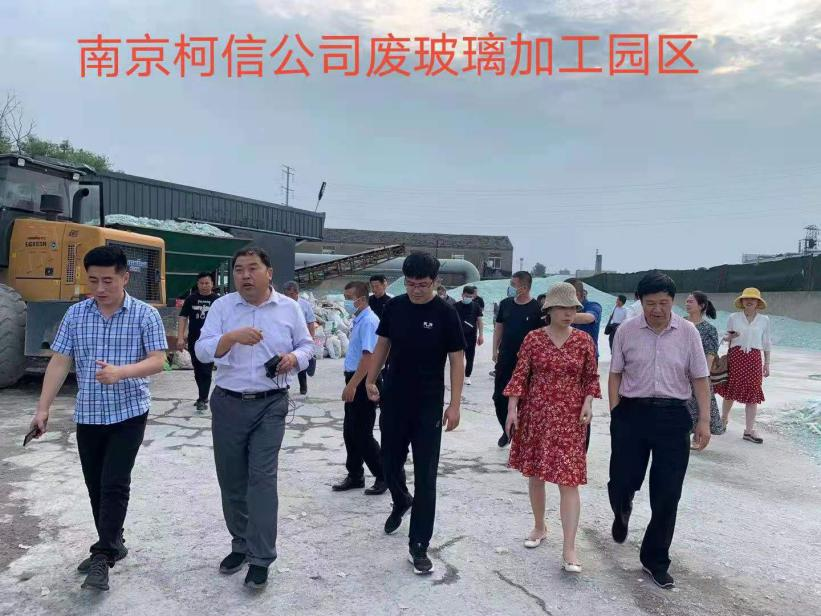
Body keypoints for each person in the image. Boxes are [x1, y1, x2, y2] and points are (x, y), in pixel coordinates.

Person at [28, 246, 168, 592]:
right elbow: (60, 361)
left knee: (114, 483)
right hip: (89, 413)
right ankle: (113, 541)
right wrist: (43, 409)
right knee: (95, 485)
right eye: (93, 281)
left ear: (125, 278)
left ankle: (103, 555)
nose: (100, 288)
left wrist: (121, 372)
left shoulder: (145, 315)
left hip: (129, 412)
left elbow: (158, 360)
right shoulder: (77, 314)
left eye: (108, 280)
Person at [196, 247, 314, 590]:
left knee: (261, 480)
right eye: (238, 270)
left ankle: (261, 557)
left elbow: (308, 345)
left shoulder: (289, 308)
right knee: (231, 480)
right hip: (228, 402)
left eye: (252, 268)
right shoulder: (222, 307)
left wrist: (294, 358)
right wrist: (230, 338)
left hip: (270, 403)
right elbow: (202, 350)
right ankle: (241, 544)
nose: (245, 275)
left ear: (269, 272)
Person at [607, 271, 711, 590]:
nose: (657, 309)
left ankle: (655, 559)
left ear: (673, 301)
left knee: (667, 494)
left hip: (673, 417)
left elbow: (700, 378)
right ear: (640, 301)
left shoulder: (688, 333)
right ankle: (622, 508)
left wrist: (704, 420)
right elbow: (615, 374)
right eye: (650, 303)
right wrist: (615, 412)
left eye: (663, 303)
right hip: (632, 413)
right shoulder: (626, 331)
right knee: (622, 480)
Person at [365, 252, 465, 575]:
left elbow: (457, 360)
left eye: (422, 285)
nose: (416, 290)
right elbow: (382, 344)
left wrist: (455, 404)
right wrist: (370, 378)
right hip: (394, 399)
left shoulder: (446, 313)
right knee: (389, 462)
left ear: (435, 282)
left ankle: (418, 544)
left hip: (428, 404)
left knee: (426, 475)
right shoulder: (395, 307)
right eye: (410, 284)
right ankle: (400, 499)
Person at [504, 283, 600, 573]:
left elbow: (591, 377)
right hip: (536, 415)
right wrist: (512, 410)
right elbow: (520, 375)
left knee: (568, 481)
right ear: (549, 310)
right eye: (562, 308)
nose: (568, 313)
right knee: (536, 475)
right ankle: (539, 526)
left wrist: (588, 403)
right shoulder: (533, 339)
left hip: (570, 419)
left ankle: (569, 547)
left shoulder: (583, 341)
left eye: (573, 308)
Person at [334, 281, 386, 495]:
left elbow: (369, 357)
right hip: (354, 378)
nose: (346, 302)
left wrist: (353, 385)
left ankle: (384, 475)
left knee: (362, 433)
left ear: (361, 299)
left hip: (364, 381)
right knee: (350, 431)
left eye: (349, 298)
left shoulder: (369, 322)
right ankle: (355, 474)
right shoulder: (359, 319)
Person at [715, 288, 772, 444]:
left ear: (758, 302)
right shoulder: (733, 317)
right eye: (746, 298)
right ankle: (723, 420)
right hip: (736, 356)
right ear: (741, 301)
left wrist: (767, 363)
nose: (749, 301)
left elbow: (766, 342)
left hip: (754, 358)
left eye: (753, 299)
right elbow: (726, 337)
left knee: (753, 392)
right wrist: (730, 336)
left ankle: (749, 430)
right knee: (730, 390)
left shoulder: (764, 320)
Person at [493, 271, 542, 448]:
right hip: (505, 357)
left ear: (525, 287)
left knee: (523, 400)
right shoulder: (505, 304)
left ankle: (519, 434)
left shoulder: (536, 308)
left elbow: (541, 335)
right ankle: (506, 430)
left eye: (514, 285)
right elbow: (499, 327)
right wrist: (494, 349)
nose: (511, 287)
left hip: (527, 362)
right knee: (499, 397)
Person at [684, 291, 725, 442]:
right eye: (687, 301)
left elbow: (710, 354)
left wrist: (704, 376)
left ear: (701, 306)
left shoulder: (709, 329)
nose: (687, 304)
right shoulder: (679, 324)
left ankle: (697, 438)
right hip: (679, 373)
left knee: (699, 407)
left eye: (691, 301)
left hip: (698, 375)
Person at [177, 272, 220, 411]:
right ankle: (203, 395)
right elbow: (183, 318)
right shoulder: (191, 299)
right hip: (194, 339)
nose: (204, 286)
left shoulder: (218, 300)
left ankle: (202, 398)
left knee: (206, 369)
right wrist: (180, 337)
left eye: (207, 283)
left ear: (212, 284)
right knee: (197, 369)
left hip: (211, 340)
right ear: (197, 284)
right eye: (201, 283)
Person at [282, 281, 317, 396]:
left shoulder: (305, 305)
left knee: (300, 361)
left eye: (291, 294)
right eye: (287, 295)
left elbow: (311, 322)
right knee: (284, 362)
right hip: (287, 337)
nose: (289, 297)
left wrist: (311, 339)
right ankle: (284, 387)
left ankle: (303, 386)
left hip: (301, 338)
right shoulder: (282, 305)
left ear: (297, 293)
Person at [454, 285, 484, 385]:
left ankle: (467, 376)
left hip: (471, 336)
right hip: (458, 336)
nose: (468, 298)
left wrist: (481, 335)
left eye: (470, 297)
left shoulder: (476, 306)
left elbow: (480, 321)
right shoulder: (455, 306)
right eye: (467, 296)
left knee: (470, 357)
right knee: (458, 358)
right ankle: (458, 375)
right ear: (462, 295)